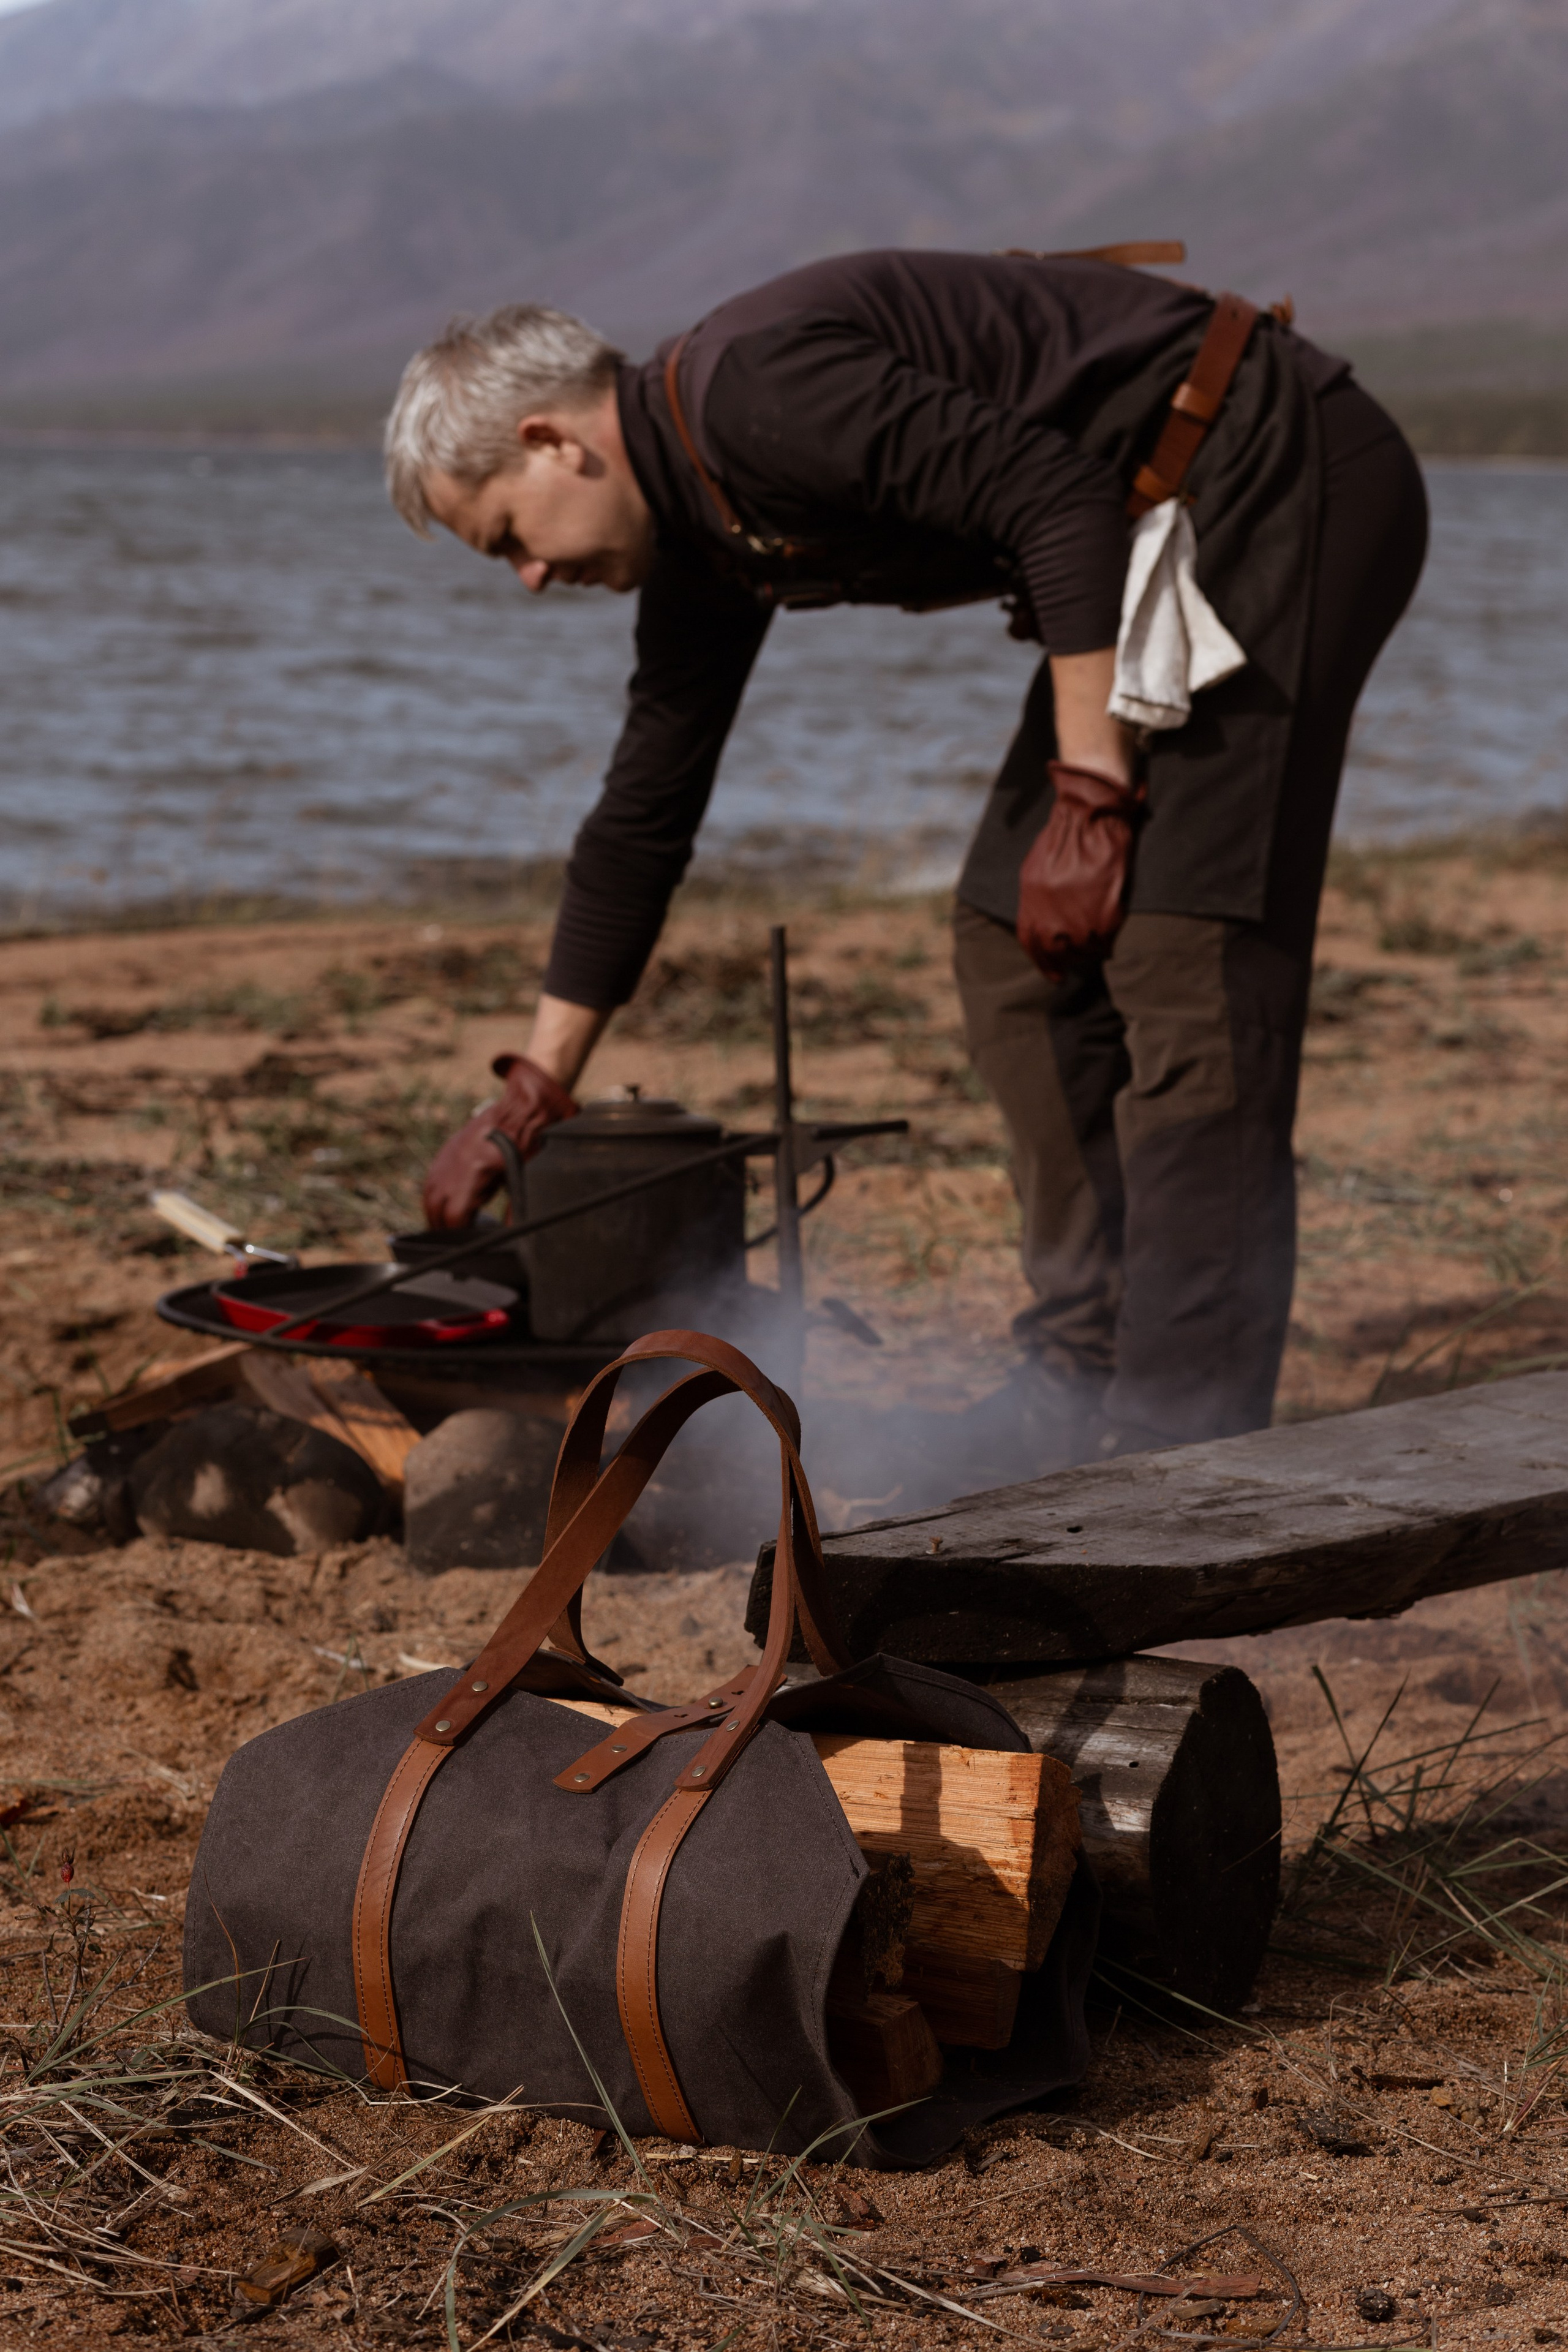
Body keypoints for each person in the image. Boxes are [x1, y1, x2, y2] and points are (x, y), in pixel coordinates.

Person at [384, 249, 1427, 1458]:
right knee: (1010, 944)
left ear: (551, 440)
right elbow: (644, 811)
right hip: (1153, 535)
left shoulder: (751, 394)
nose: (528, 578)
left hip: (1278, 465)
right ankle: (1079, 1380)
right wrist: (533, 1092)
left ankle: (1184, 1432)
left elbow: (1055, 500)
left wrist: (1092, 800)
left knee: (1184, 958)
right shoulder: (701, 531)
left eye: (507, 536)